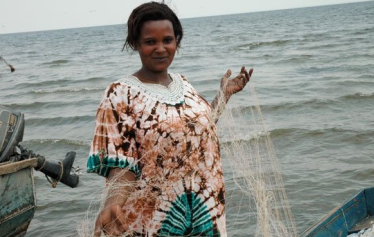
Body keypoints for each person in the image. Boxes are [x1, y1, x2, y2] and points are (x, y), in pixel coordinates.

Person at [87, 1, 253, 236]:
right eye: (150, 42)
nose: (160, 48)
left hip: (206, 211)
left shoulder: (182, 82)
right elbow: (120, 163)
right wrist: (114, 201)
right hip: (156, 221)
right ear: (135, 44)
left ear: (177, 41)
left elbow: (199, 130)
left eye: (167, 40)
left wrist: (224, 95)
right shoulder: (119, 93)